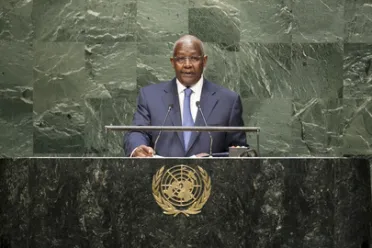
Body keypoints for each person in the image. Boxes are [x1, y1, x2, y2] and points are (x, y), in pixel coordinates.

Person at [124, 35, 248, 157]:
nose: (187, 64)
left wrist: (209, 159)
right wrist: (138, 149)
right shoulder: (150, 96)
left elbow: (238, 152)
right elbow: (137, 132)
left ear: (204, 61)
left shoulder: (228, 101)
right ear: (172, 62)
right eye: (181, 59)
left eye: (194, 58)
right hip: (161, 176)